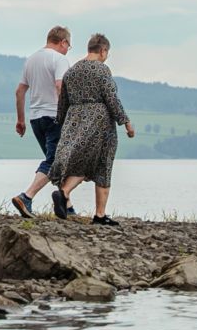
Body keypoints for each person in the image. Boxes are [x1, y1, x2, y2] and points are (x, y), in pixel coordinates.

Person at [47, 33, 134, 226]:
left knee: (82, 163)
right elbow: (111, 98)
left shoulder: (72, 71)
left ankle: (63, 192)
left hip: (75, 119)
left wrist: (61, 122)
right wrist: (125, 122)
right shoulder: (102, 70)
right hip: (99, 121)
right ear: (103, 50)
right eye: (107, 52)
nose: (106, 56)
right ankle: (100, 215)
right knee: (103, 165)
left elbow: (63, 101)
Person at [10, 25, 75, 218]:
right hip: (54, 115)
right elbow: (60, 86)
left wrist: (20, 120)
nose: (67, 49)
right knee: (54, 160)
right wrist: (67, 113)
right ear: (63, 42)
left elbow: (19, 91)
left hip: (35, 118)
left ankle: (68, 208)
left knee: (56, 161)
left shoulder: (31, 60)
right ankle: (26, 197)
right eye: (68, 46)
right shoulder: (60, 59)